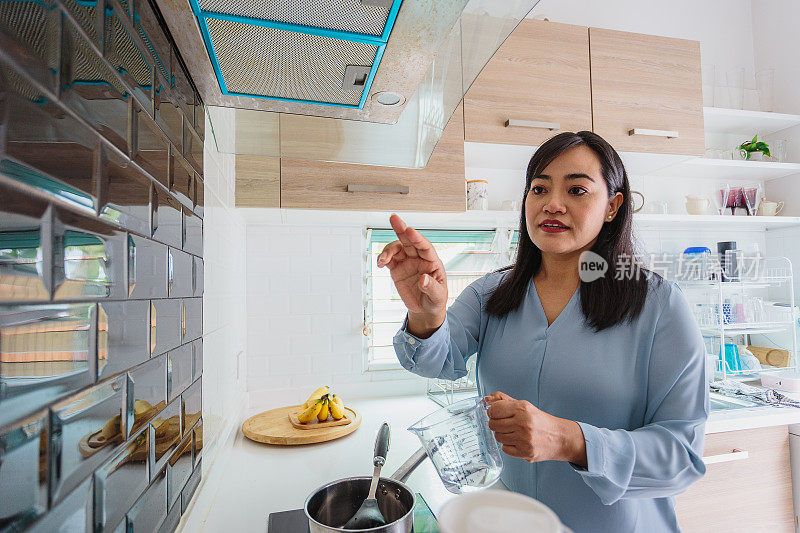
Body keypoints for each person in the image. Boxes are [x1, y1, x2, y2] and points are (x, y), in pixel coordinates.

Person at [379, 131, 708, 532]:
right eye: (539, 188)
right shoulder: (491, 293)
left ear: (612, 206)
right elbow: (439, 361)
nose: (553, 204)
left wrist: (570, 440)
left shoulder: (658, 304)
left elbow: (682, 456)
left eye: (577, 189)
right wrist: (426, 313)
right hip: (511, 520)